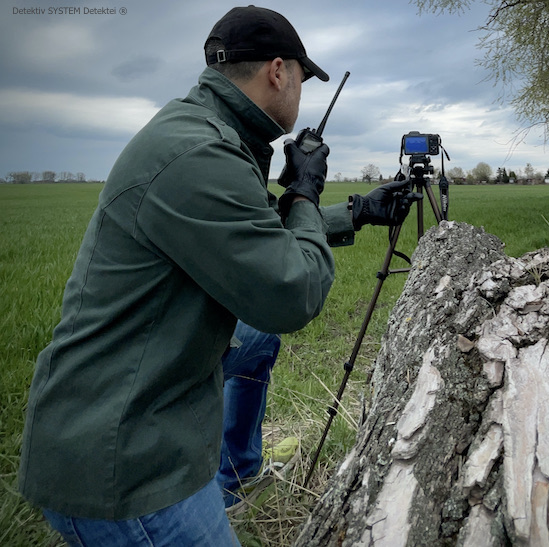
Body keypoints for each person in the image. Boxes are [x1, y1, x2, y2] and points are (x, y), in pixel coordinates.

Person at [18, 5, 420, 545]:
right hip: (129, 462)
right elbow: (291, 291)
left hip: (139, 430)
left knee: (253, 344)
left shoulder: (207, 133)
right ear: (278, 71)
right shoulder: (199, 151)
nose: (301, 93)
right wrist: (303, 191)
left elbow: (245, 234)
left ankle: (235, 470)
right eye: (302, 77)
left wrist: (357, 211)